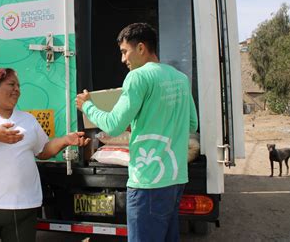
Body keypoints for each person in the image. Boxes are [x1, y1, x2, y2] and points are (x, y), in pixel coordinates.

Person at [76, 23, 198, 242]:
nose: (123, 60)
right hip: (176, 178)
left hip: (148, 184)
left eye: (125, 51)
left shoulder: (138, 77)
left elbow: (113, 125)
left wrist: (87, 106)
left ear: (141, 48)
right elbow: (191, 124)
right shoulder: (180, 78)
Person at [0, 68, 90, 242]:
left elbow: (43, 150)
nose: (17, 89)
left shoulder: (28, 119)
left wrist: (65, 140)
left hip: (22, 208)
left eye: (18, 85)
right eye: (11, 84)